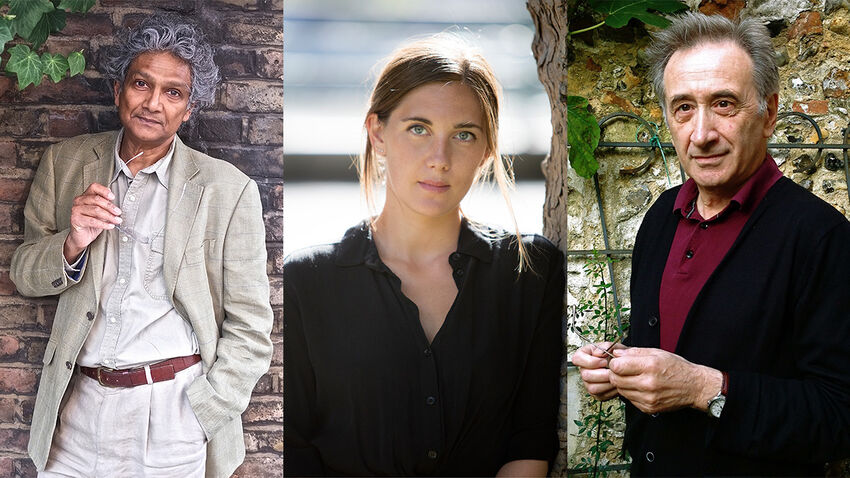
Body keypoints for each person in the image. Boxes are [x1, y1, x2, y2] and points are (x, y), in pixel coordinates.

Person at [572, 11, 850, 476]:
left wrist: (705, 389)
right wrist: (618, 364)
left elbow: (839, 415)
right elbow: (677, 342)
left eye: (723, 104)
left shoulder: (820, 236)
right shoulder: (661, 216)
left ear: (768, 113)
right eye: (683, 107)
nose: (700, 135)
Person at [283, 35, 565, 476]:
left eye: (464, 135)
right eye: (419, 128)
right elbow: (290, 449)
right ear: (378, 133)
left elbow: (529, 439)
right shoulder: (303, 283)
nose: (440, 158)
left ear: (486, 150)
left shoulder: (530, 271)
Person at [9, 13, 273, 478]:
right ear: (118, 91)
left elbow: (251, 326)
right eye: (141, 84)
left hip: (173, 416)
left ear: (189, 109)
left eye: (173, 92)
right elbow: (24, 275)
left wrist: (206, 409)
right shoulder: (64, 163)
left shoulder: (229, 190)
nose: (153, 103)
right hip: (76, 411)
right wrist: (72, 242)